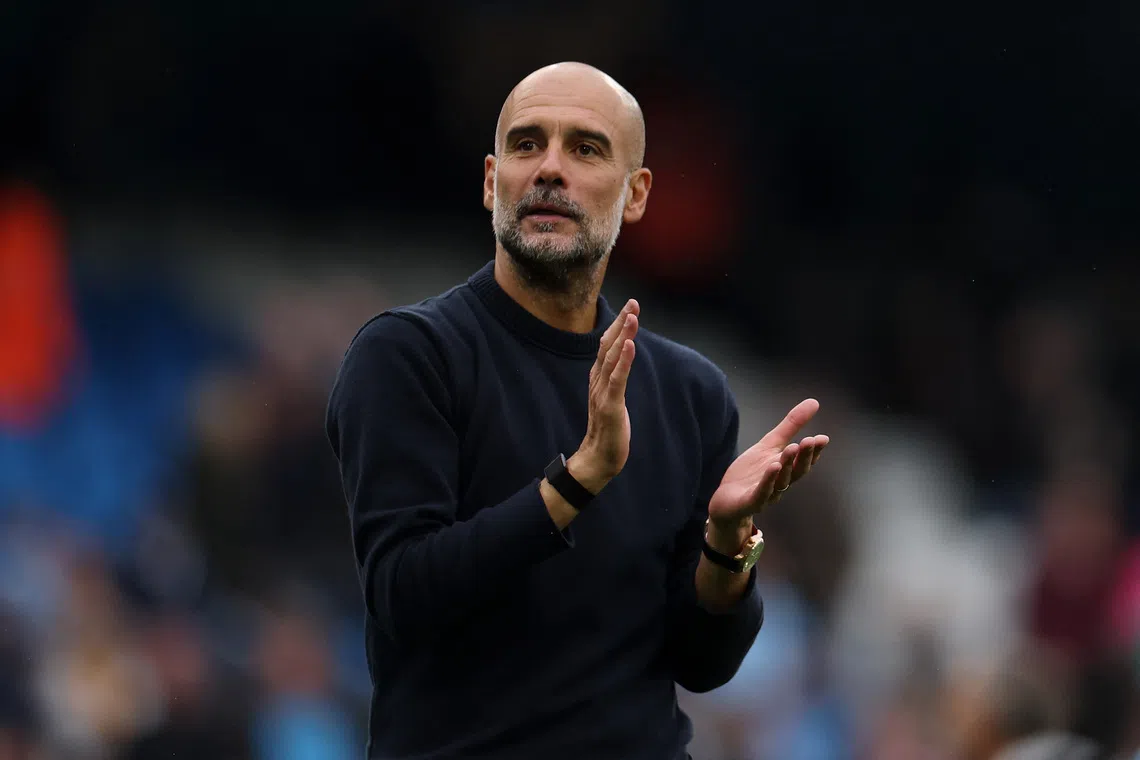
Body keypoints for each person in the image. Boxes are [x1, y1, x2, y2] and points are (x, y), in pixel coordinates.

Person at [326, 61, 829, 760]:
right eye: (528, 145)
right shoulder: (410, 355)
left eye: (585, 149)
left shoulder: (692, 392)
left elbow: (702, 664)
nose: (550, 170)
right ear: (489, 181)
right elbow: (404, 596)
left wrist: (727, 543)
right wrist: (577, 481)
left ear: (637, 193)